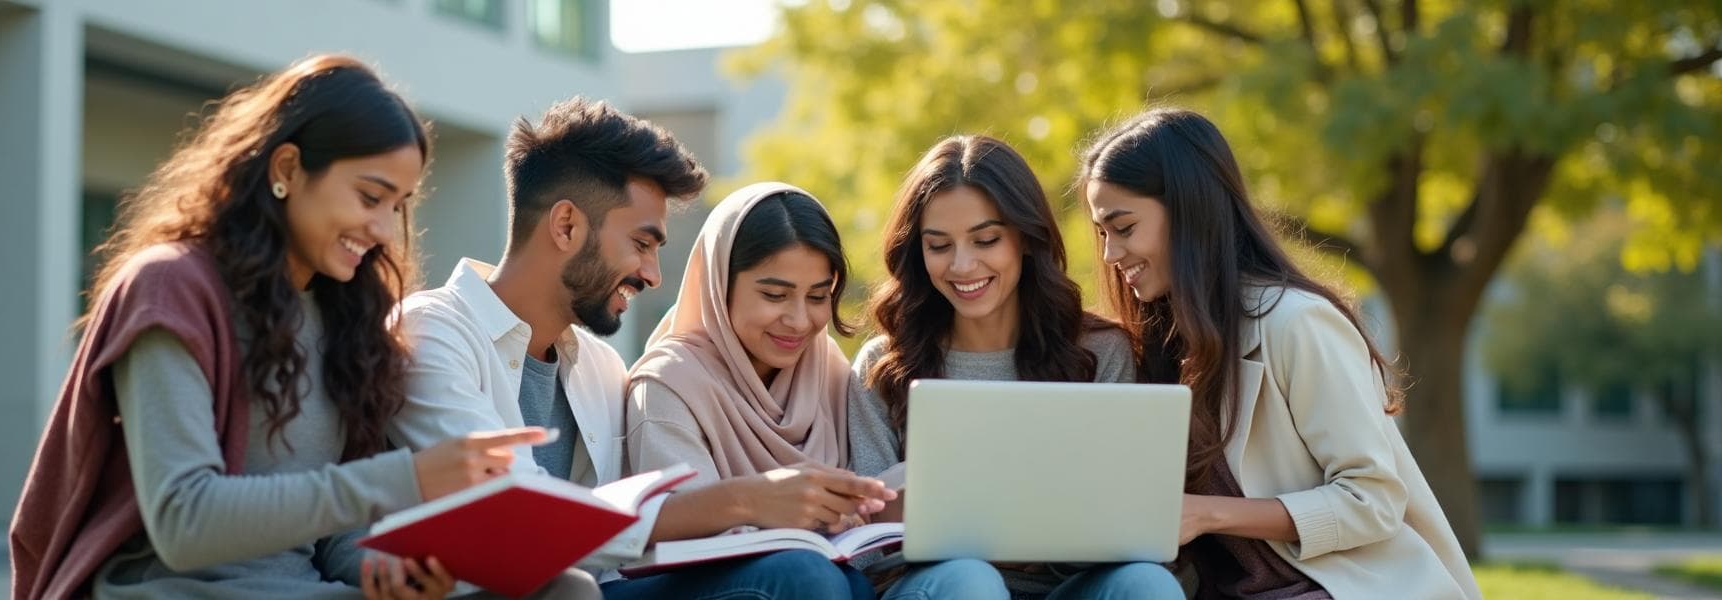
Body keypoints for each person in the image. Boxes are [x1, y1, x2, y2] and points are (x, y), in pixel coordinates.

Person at [9, 55, 585, 600]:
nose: (385, 229)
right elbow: (183, 521)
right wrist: (408, 477)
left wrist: (386, 568)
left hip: (306, 588)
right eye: (369, 197)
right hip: (176, 590)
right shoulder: (170, 288)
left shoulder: (346, 317)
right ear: (286, 168)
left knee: (566, 588)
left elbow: (331, 539)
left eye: (398, 205)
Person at [393, 99, 890, 599]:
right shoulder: (433, 332)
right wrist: (743, 501)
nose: (653, 275)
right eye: (641, 243)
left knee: (837, 579)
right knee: (798, 577)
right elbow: (522, 519)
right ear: (566, 225)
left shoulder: (601, 369)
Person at [1078, 107, 1481, 599]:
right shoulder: (1156, 342)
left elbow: (1373, 498)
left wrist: (1205, 514)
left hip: (1339, 586)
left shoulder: (1296, 323)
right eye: (1101, 232)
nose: (1110, 255)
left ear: (1189, 211)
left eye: (1123, 228)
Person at [626, 181, 1006, 599]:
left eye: (818, 296)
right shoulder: (668, 383)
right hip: (725, 587)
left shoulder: (824, 369)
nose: (799, 320)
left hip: (832, 580)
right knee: (812, 576)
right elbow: (671, 524)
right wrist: (773, 507)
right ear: (719, 285)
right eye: (775, 295)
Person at [850, 135, 1183, 599]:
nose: (963, 266)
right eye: (939, 245)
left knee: (1145, 583)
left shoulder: (1101, 351)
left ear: (1026, 239)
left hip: (1063, 585)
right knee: (973, 581)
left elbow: (1127, 531)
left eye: (986, 240)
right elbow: (868, 550)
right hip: (944, 587)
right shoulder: (883, 364)